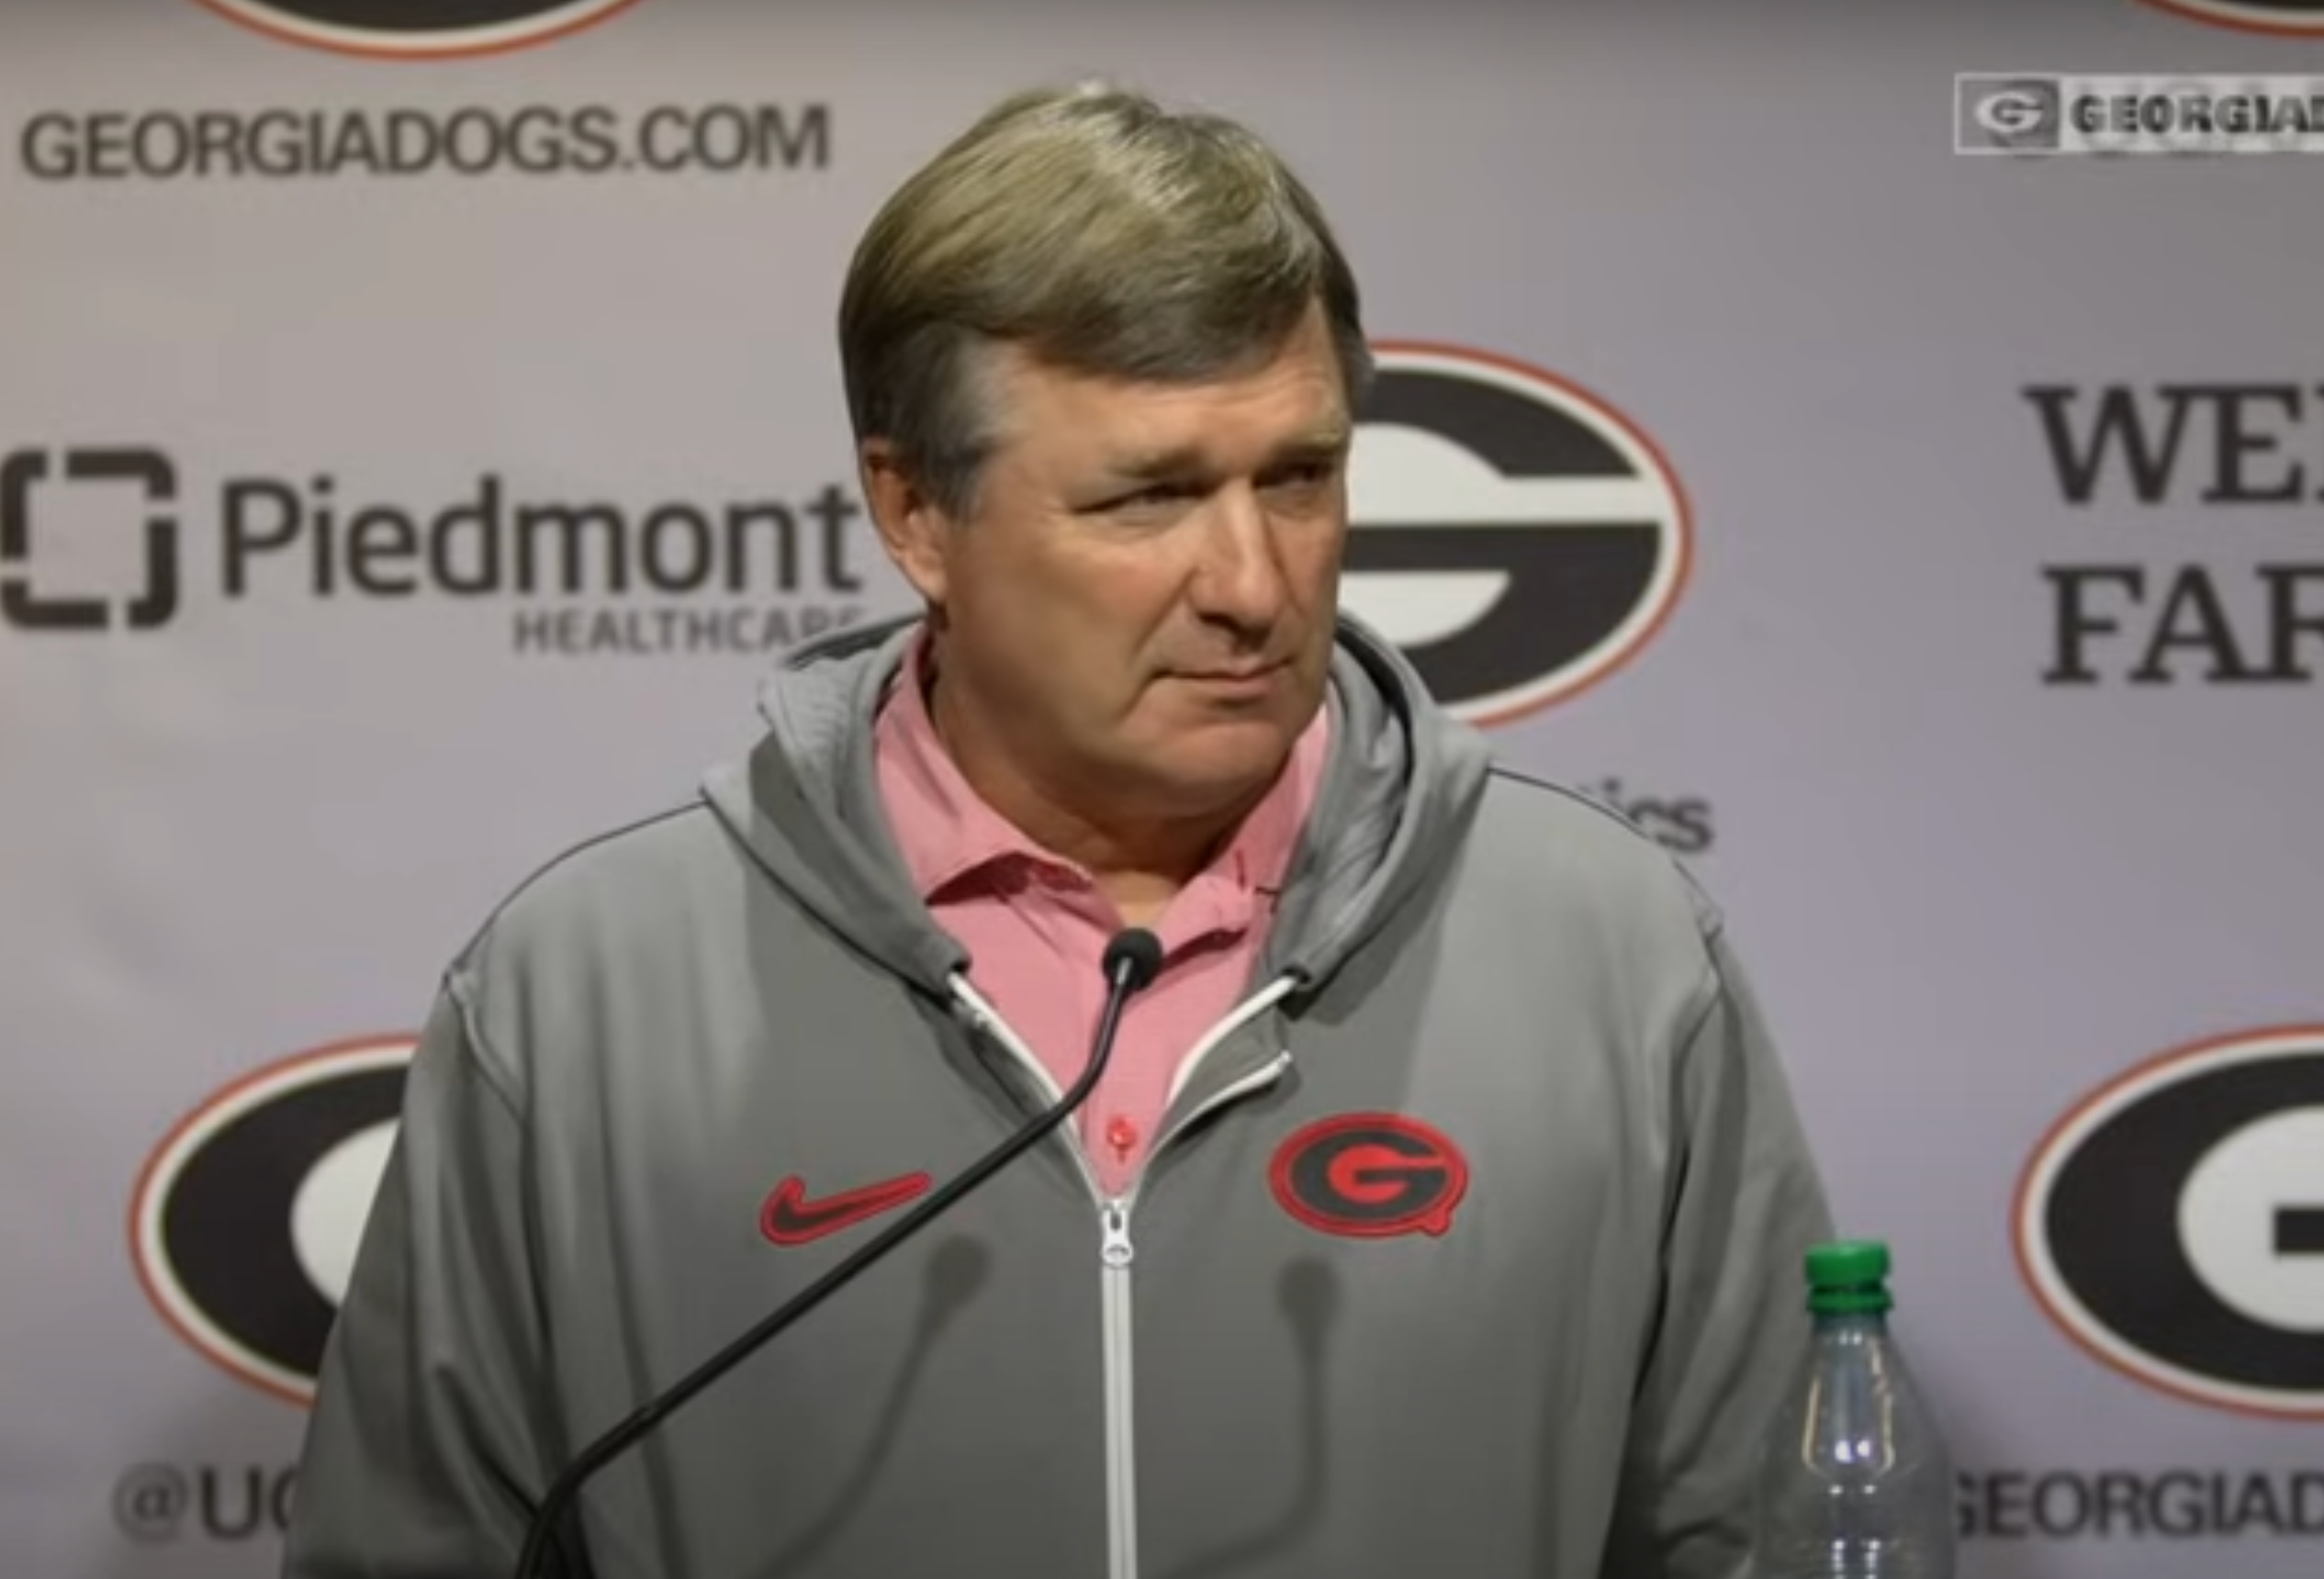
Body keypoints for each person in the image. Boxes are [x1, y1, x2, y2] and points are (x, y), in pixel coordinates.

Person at [283, 81, 1834, 1579]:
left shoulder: (1615, 955)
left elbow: (1776, 1545)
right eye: (1146, 498)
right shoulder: (581, 997)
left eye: (1299, 478)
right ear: (914, 516)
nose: (1251, 580)